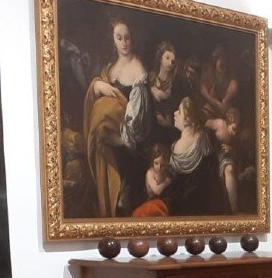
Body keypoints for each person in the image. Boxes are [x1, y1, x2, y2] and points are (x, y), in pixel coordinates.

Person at [83, 16, 148, 217]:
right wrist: (97, 86)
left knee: (123, 202)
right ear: (113, 41)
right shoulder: (108, 69)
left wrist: (119, 140)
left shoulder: (139, 69)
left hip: (128, 146)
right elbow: (95, 99)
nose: (124, 42)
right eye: (119, 38)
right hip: (107, 141)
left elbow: (142, 119)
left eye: (127, 37)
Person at [163, 97, 232, 216]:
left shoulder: (203, 140)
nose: (174, 113)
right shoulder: (204, 137)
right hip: (196, 201)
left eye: (179, 112)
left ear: (188, 120)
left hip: (197, 203)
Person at [131, 144, 173, 218]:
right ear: (152, 161)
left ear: (166, 163)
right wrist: (166, 182)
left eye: (162, 165)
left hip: (162, 202)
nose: (159, 167)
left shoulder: (166, 173)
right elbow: (157, 191)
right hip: (150, 202)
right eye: (156, 163)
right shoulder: (150, 173)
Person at [200, 45, 239, 119]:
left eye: (224, 58)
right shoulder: (209, 74)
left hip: (226, 111)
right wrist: (216, 103)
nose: (222, 61)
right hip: (211, 108)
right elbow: (203, 91)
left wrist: (224, 102)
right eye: (219, 58)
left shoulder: (232, 82)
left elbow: (227, 100)